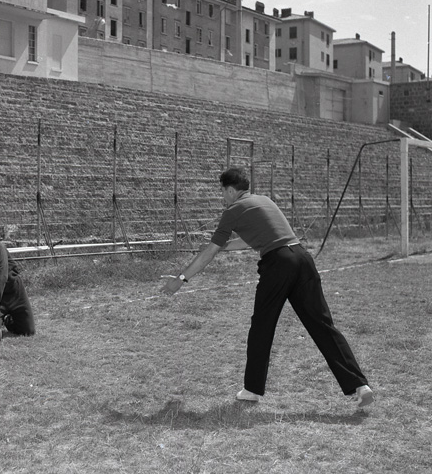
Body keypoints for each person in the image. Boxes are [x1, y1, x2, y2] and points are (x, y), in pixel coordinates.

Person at [160, 167, 374, 408]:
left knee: (262, 326)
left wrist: (181, 278)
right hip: (302, 258)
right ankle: (360, 385)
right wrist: (221, 246)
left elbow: (209, 252)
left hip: (278, 264)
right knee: (323, 325)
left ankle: (252, 390)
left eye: (222, 192)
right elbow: (254, 238)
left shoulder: (232, 210)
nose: (223, 197)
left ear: (229, 190)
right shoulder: (264, 201)